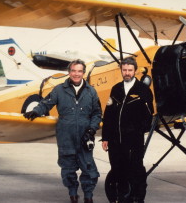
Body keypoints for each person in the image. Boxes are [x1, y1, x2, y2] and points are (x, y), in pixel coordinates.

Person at [24, 59, 101, 203]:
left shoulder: (91, 92)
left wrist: (91, 129)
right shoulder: (59, 90)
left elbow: (97, 114)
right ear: (69, 72)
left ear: (83, 73)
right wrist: (35, 111)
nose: (76, 74)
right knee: (68, 169)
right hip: (66, 136)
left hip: (85, 136)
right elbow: (46, 104)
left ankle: (88, 197)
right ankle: (73, 195)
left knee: (89, 170)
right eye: (73, 71)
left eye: (79, 71)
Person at [101, 57, 154, 203]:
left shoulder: (143, 90)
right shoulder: (116, 88)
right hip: (115, 140)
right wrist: (105, 137)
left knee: (136, 171)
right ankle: (121, 197)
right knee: (117, 169)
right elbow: (109, 114)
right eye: (124, 70)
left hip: (133, 140)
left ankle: (138, 198)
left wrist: (138, 130)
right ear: (121, 71)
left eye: (130, 70)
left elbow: (149, 115)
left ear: (135, 71)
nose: (127, 73)